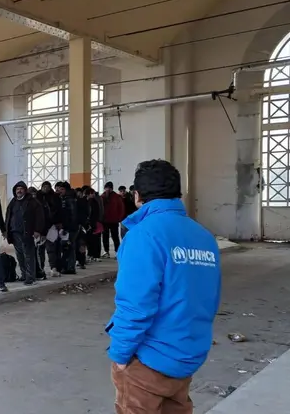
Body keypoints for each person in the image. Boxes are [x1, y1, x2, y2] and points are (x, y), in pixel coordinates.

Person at [108, 160, 221, 414]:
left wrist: (120, 355)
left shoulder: (143, 235)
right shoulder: (204, 236)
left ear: (137, 196)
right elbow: (209, 298)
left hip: (149, 360)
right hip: (187, 355)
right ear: (178, 194)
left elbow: (135, 305)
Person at [4, 181, 44, 286]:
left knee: (29, 256)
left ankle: (30, 277)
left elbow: (39, 217)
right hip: (14, 233)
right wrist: (6, 230)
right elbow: (8, 216)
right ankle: (24, 275)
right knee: (20, 256)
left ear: (25, 190)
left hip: (27, 233)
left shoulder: (32, 202)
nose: (19, 191)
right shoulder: (13, 201)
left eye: (21, 189)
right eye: (17, 189)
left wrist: (37, 230)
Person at [53, 182, 79, 276]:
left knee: (69, 247)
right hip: (69, 227)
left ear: (67, 190)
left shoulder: (69, 200)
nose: (60, 191)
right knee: (67, 247)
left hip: (70, 228)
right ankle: (67, 266)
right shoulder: (64, 199)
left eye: (62, 189)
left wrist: (67, 228)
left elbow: (72, 215)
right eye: (59, 189)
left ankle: (70, 267)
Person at [102, 181, 126, 258]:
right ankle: (106, 251)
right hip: (105, 221)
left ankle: (117, 251)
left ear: (112, 188)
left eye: (109, 188)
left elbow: (121, 208)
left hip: (114, 220)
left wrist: (119, 218)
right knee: (105, 236)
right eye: (106, 188)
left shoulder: (117, 197)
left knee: (115, 236)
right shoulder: (102, 197)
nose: (107, 189)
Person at [85, 187, 102, 266]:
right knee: (89, 240)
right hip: (88, 224)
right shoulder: (86, 201)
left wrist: (94, 223)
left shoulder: (95, 202)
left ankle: (96, 255)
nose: (93, 195)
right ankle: (90, 254)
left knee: (96, 240)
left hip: (94, 223)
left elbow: (96, 213)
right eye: (92, 193)